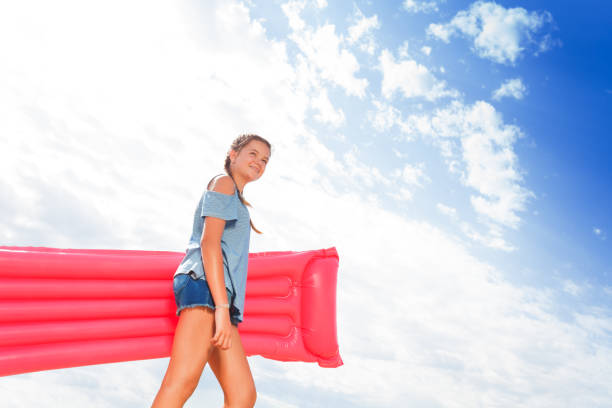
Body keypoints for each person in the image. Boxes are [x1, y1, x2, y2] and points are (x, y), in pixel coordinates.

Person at [152, 134, 272, 408]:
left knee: (242, 395)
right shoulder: (224, 182)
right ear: (233, 153)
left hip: (219, 297)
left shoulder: (236, 199)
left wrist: (224, 307)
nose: (259, 162)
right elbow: (209, 243)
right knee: (181, 381)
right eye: (253, 154)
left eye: (264, 160)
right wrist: (220, 307)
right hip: (205, 288)